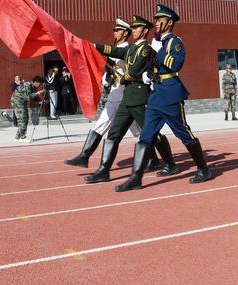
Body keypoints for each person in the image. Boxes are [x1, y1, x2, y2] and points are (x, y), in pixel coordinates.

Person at [115, 5, 212, 191]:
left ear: (170, 22)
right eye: (156, 19)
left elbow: (175, 64)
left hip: (170, 93)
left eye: (160, 19)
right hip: (156, 94)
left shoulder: (174, 42)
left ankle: (203, 169)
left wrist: (157, 51)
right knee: (145, 136)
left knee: (184, 134)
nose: (157, 22)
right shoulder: (156, 42)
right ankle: (136, 178)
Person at [65, 18, 168, 179]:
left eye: (135, 28)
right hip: (124, 96)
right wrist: (91, 46)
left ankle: (168, 162)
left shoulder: (140, 49)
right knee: (121, 133)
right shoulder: (128, 49)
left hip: (132, 95)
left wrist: (125, 77)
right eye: (132, 28)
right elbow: (111, 52)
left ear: (143, 31)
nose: (114, 33)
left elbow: (133, 70)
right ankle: (103, 169)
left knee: (147, 132)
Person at [11, 76, 46, 142]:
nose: (39, 85)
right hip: (17, 103)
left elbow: (33, 97)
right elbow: (29, 97)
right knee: (23, 119)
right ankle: (23, 137)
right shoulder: (27, 86)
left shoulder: (33, 87)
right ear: (35, 82)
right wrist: (38, 93)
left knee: (25, 118)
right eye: (39, 83)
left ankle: (17, 137)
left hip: (21, 103)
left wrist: (40, 101)